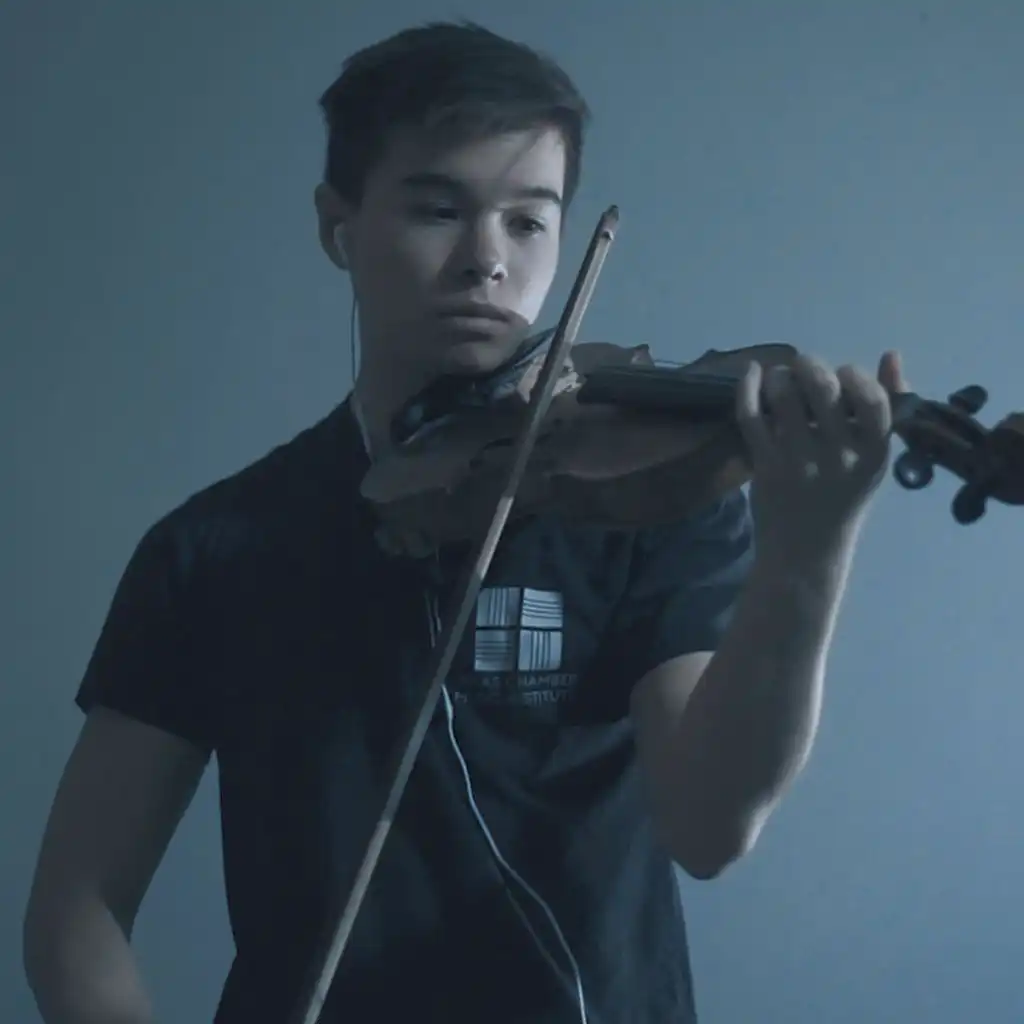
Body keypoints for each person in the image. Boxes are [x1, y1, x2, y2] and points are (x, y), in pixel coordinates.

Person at [22, 20, 906, 1024]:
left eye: (527, 222)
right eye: (439, 210)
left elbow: (708, 828)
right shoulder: (212, 549)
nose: (487, 260)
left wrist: (808, 548)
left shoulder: (653, 500)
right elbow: (75, 911)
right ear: (338, 225)